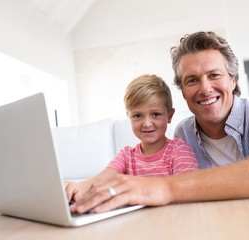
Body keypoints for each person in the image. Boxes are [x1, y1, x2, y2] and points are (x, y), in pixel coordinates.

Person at [68, 31, 249, 214]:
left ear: (233, 80)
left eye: (214, 75)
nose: (205, 88)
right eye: (192, 80)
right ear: (182, 90)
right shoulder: (184, 133)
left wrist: (165, 188)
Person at [66, 74, 198, 207]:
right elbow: (100, 180)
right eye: (137, 116)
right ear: (129, 117)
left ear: (169, 115)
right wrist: (76, 187)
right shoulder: (126, 155)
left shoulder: (179, 151)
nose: (147, 123)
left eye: (155, 114)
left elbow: (188, 191)